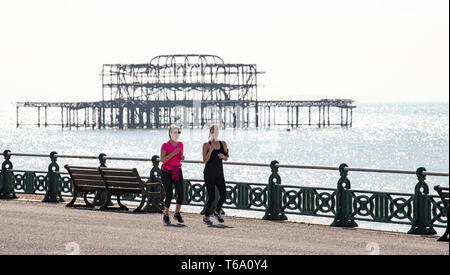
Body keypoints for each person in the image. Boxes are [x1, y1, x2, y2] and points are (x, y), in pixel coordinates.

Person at [202, 124, 229, 225]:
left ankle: (217, 212)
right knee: (212, 196)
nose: (216, 132)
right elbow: (205, 160)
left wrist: (223, 156)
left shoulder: (223, 143)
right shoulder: (206, 144)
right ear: (210, 132)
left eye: (217, 130)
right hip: (209, 173)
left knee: (223, 195)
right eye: (214, 130)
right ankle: (206, 216)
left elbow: (227, 157)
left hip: (219, 173)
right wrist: (211, 150)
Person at [160, 125, 185, 224]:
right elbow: (163, 160)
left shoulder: (181, 144)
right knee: (169, 194)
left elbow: (179, 157)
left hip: (177, 170)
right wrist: (173, 153)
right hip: (166, 171)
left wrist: (182, 157)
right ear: (170, 134)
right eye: (175, 132)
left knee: (181, 193)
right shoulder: (165, 145)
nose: (177, 134)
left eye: (178, 132)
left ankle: (177, 213)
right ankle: (166, 214)